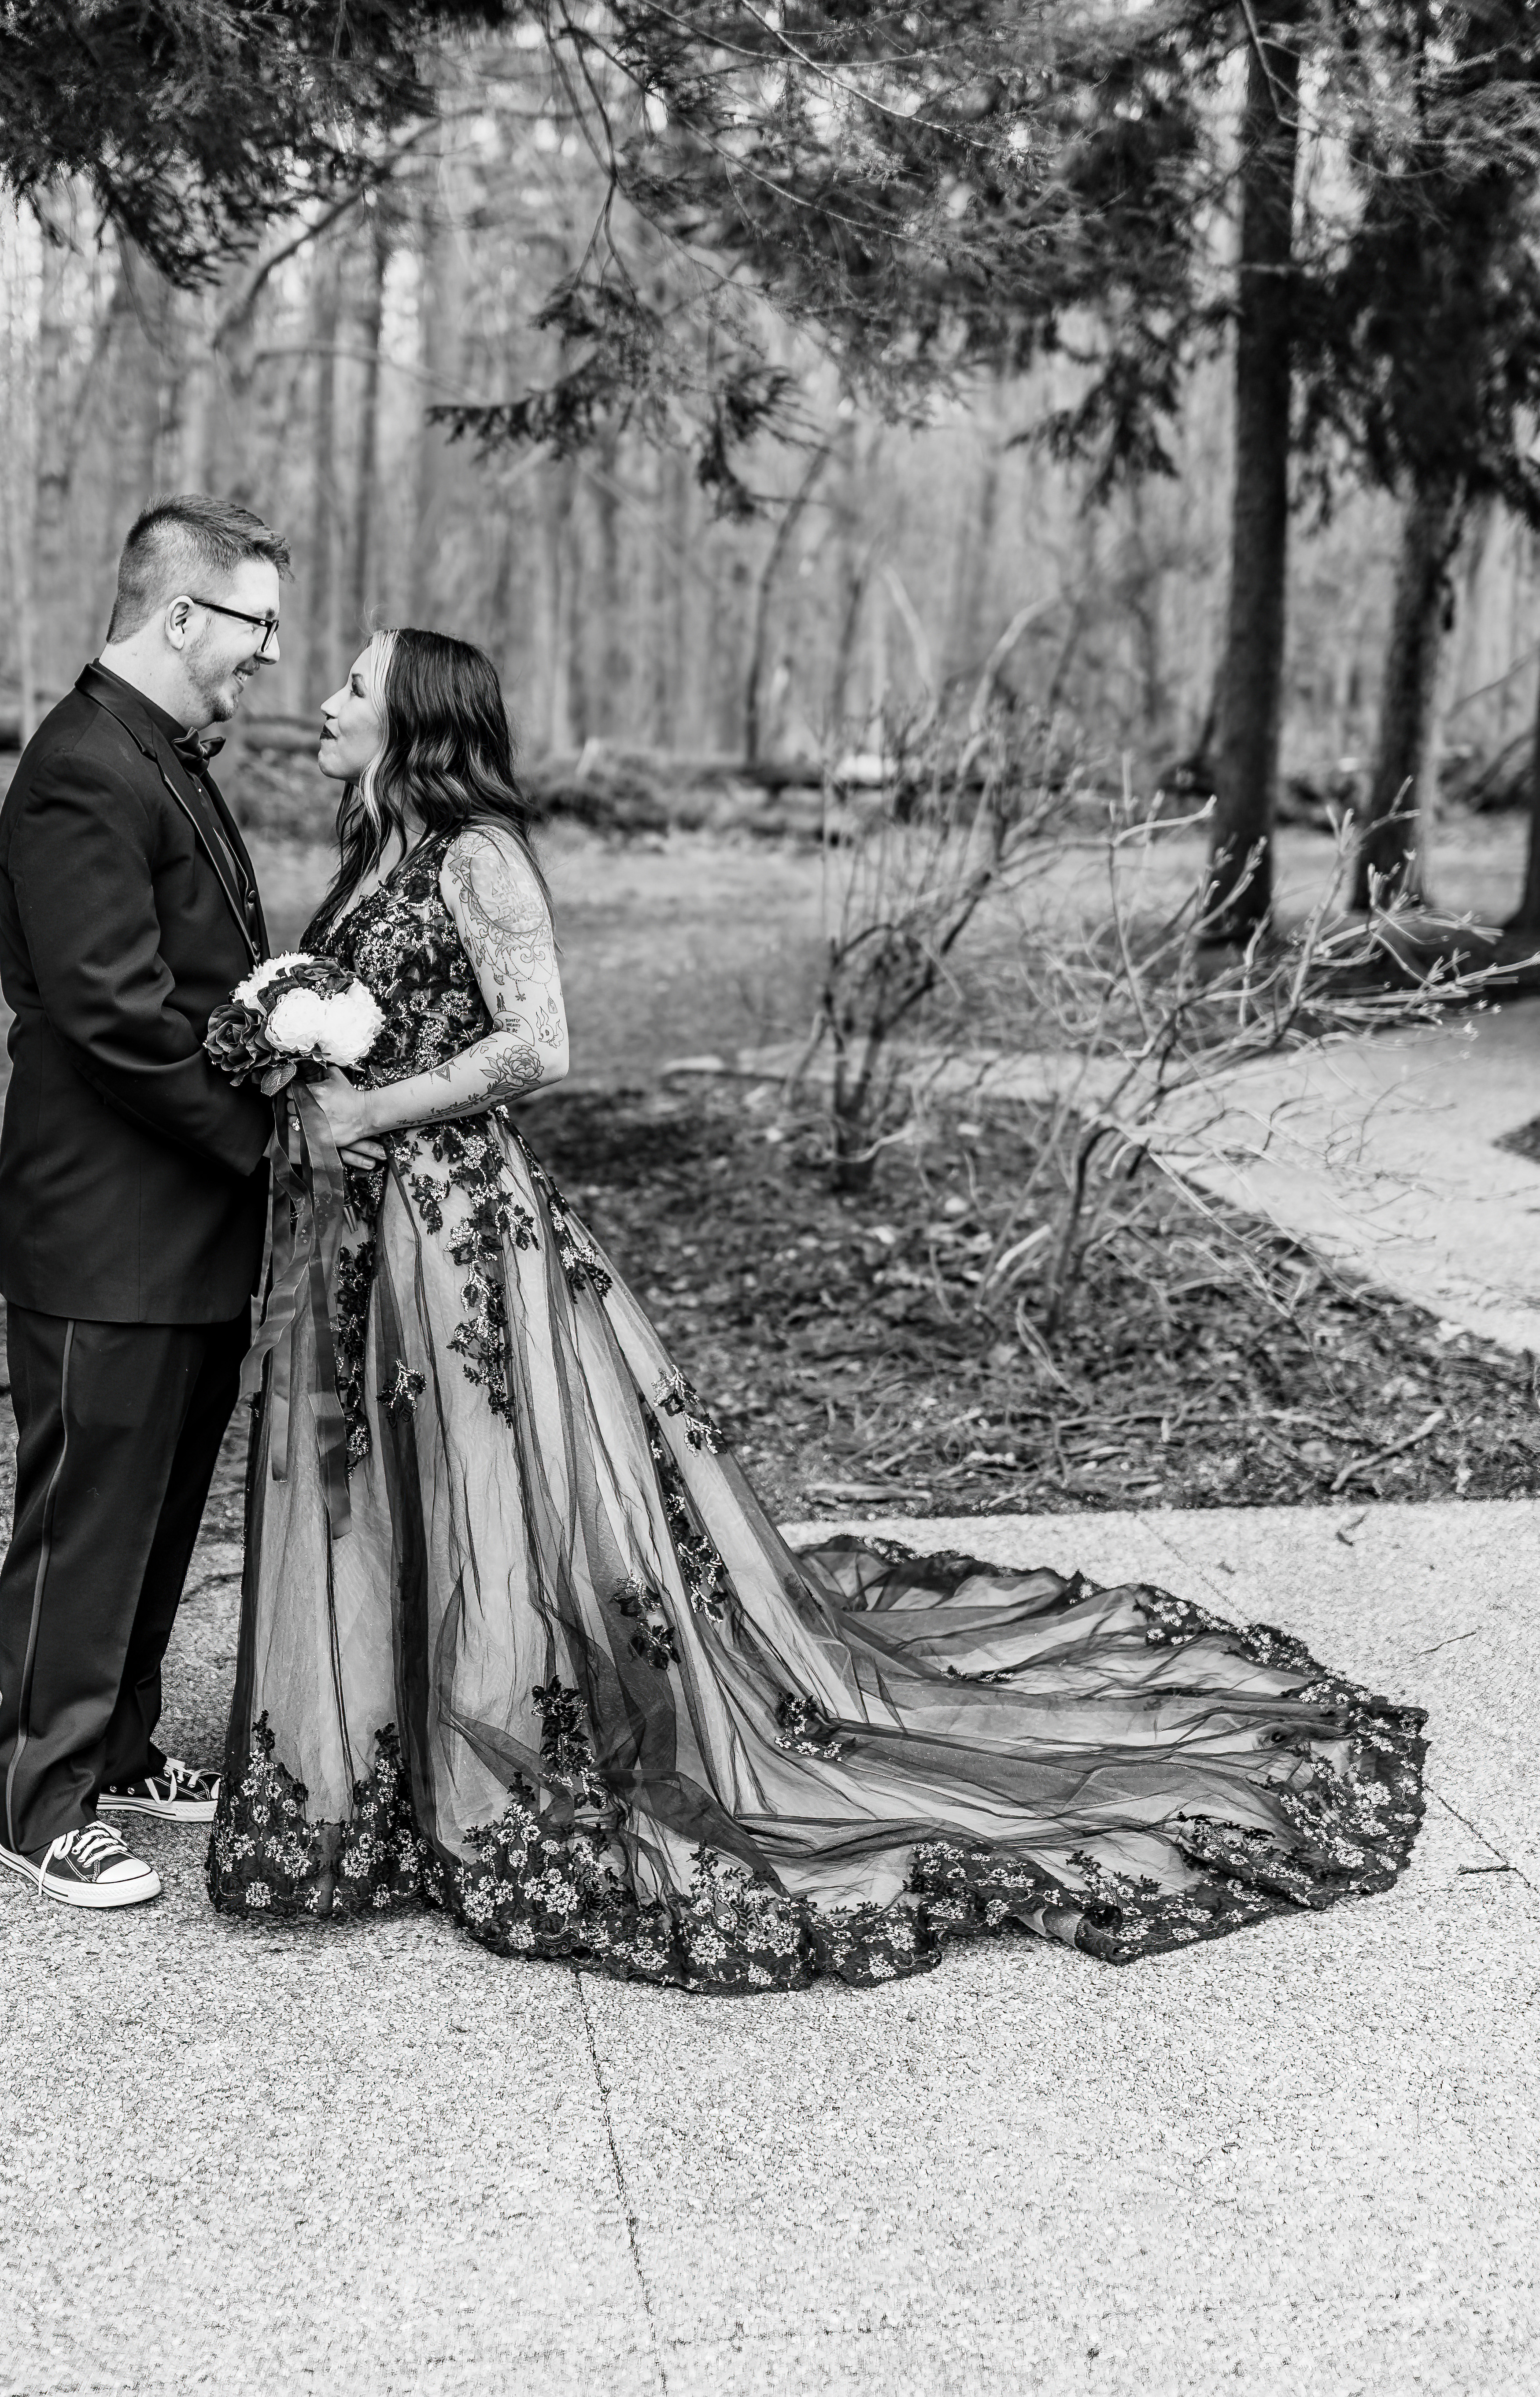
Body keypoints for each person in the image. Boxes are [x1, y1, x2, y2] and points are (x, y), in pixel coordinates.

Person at [208, 628, 1425, 1987]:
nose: (325, 697)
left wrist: (373, 1102)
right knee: (398, 1484)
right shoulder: (372, 851)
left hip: (457, 1231)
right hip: (362, 1228)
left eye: (354, 685)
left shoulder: (476, 853)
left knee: (493, 1490)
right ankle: (390, 1746)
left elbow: (539, 1043)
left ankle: (502, 1739)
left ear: (413, 717)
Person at [0, 497, 288, 1909]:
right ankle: (42, 1798)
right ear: (183, 616)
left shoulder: (161, 755)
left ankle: (117, 1744)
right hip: (105, 1220)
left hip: (185, 1225)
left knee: (161, 1498)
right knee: (88, 1508)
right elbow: (111, 1013)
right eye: (256, 623)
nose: (270, 654)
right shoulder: (80, 768)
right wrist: (265, 1137)